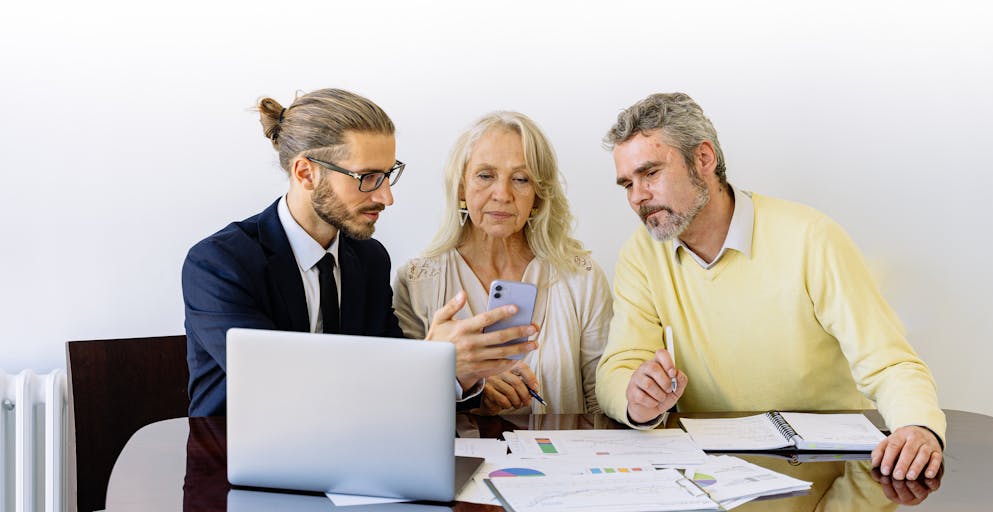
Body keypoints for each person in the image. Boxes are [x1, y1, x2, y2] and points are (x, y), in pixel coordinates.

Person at [595, 92, 945, 481]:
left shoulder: (812, 238)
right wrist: (637, 397)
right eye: (626, 183)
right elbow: (618, 367)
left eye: (650, 174)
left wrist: (918, 426)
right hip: (710, 478)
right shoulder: (642, 254)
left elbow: (889, 361)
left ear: (704, 159)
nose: (638, 197)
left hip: (826, 471)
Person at [182, 89, 536, 417]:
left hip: (353, 463)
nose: (386, 197)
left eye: (387, 174)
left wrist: (462, 373)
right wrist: (431, 361)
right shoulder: (219, 265)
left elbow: (394, 391)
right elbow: (283, 391)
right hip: (234, 466)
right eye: (367, 177)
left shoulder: (368, 260)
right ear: (306, 173)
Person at [393, 111, 612, 415]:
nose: (502, 194)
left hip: (564, 458)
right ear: (460, 187)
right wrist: (466, 382)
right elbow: (404, 405)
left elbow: (601, 400)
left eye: (521, 179)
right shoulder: (417, 281)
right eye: (485, 175)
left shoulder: (581, 278)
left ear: (537, 194)